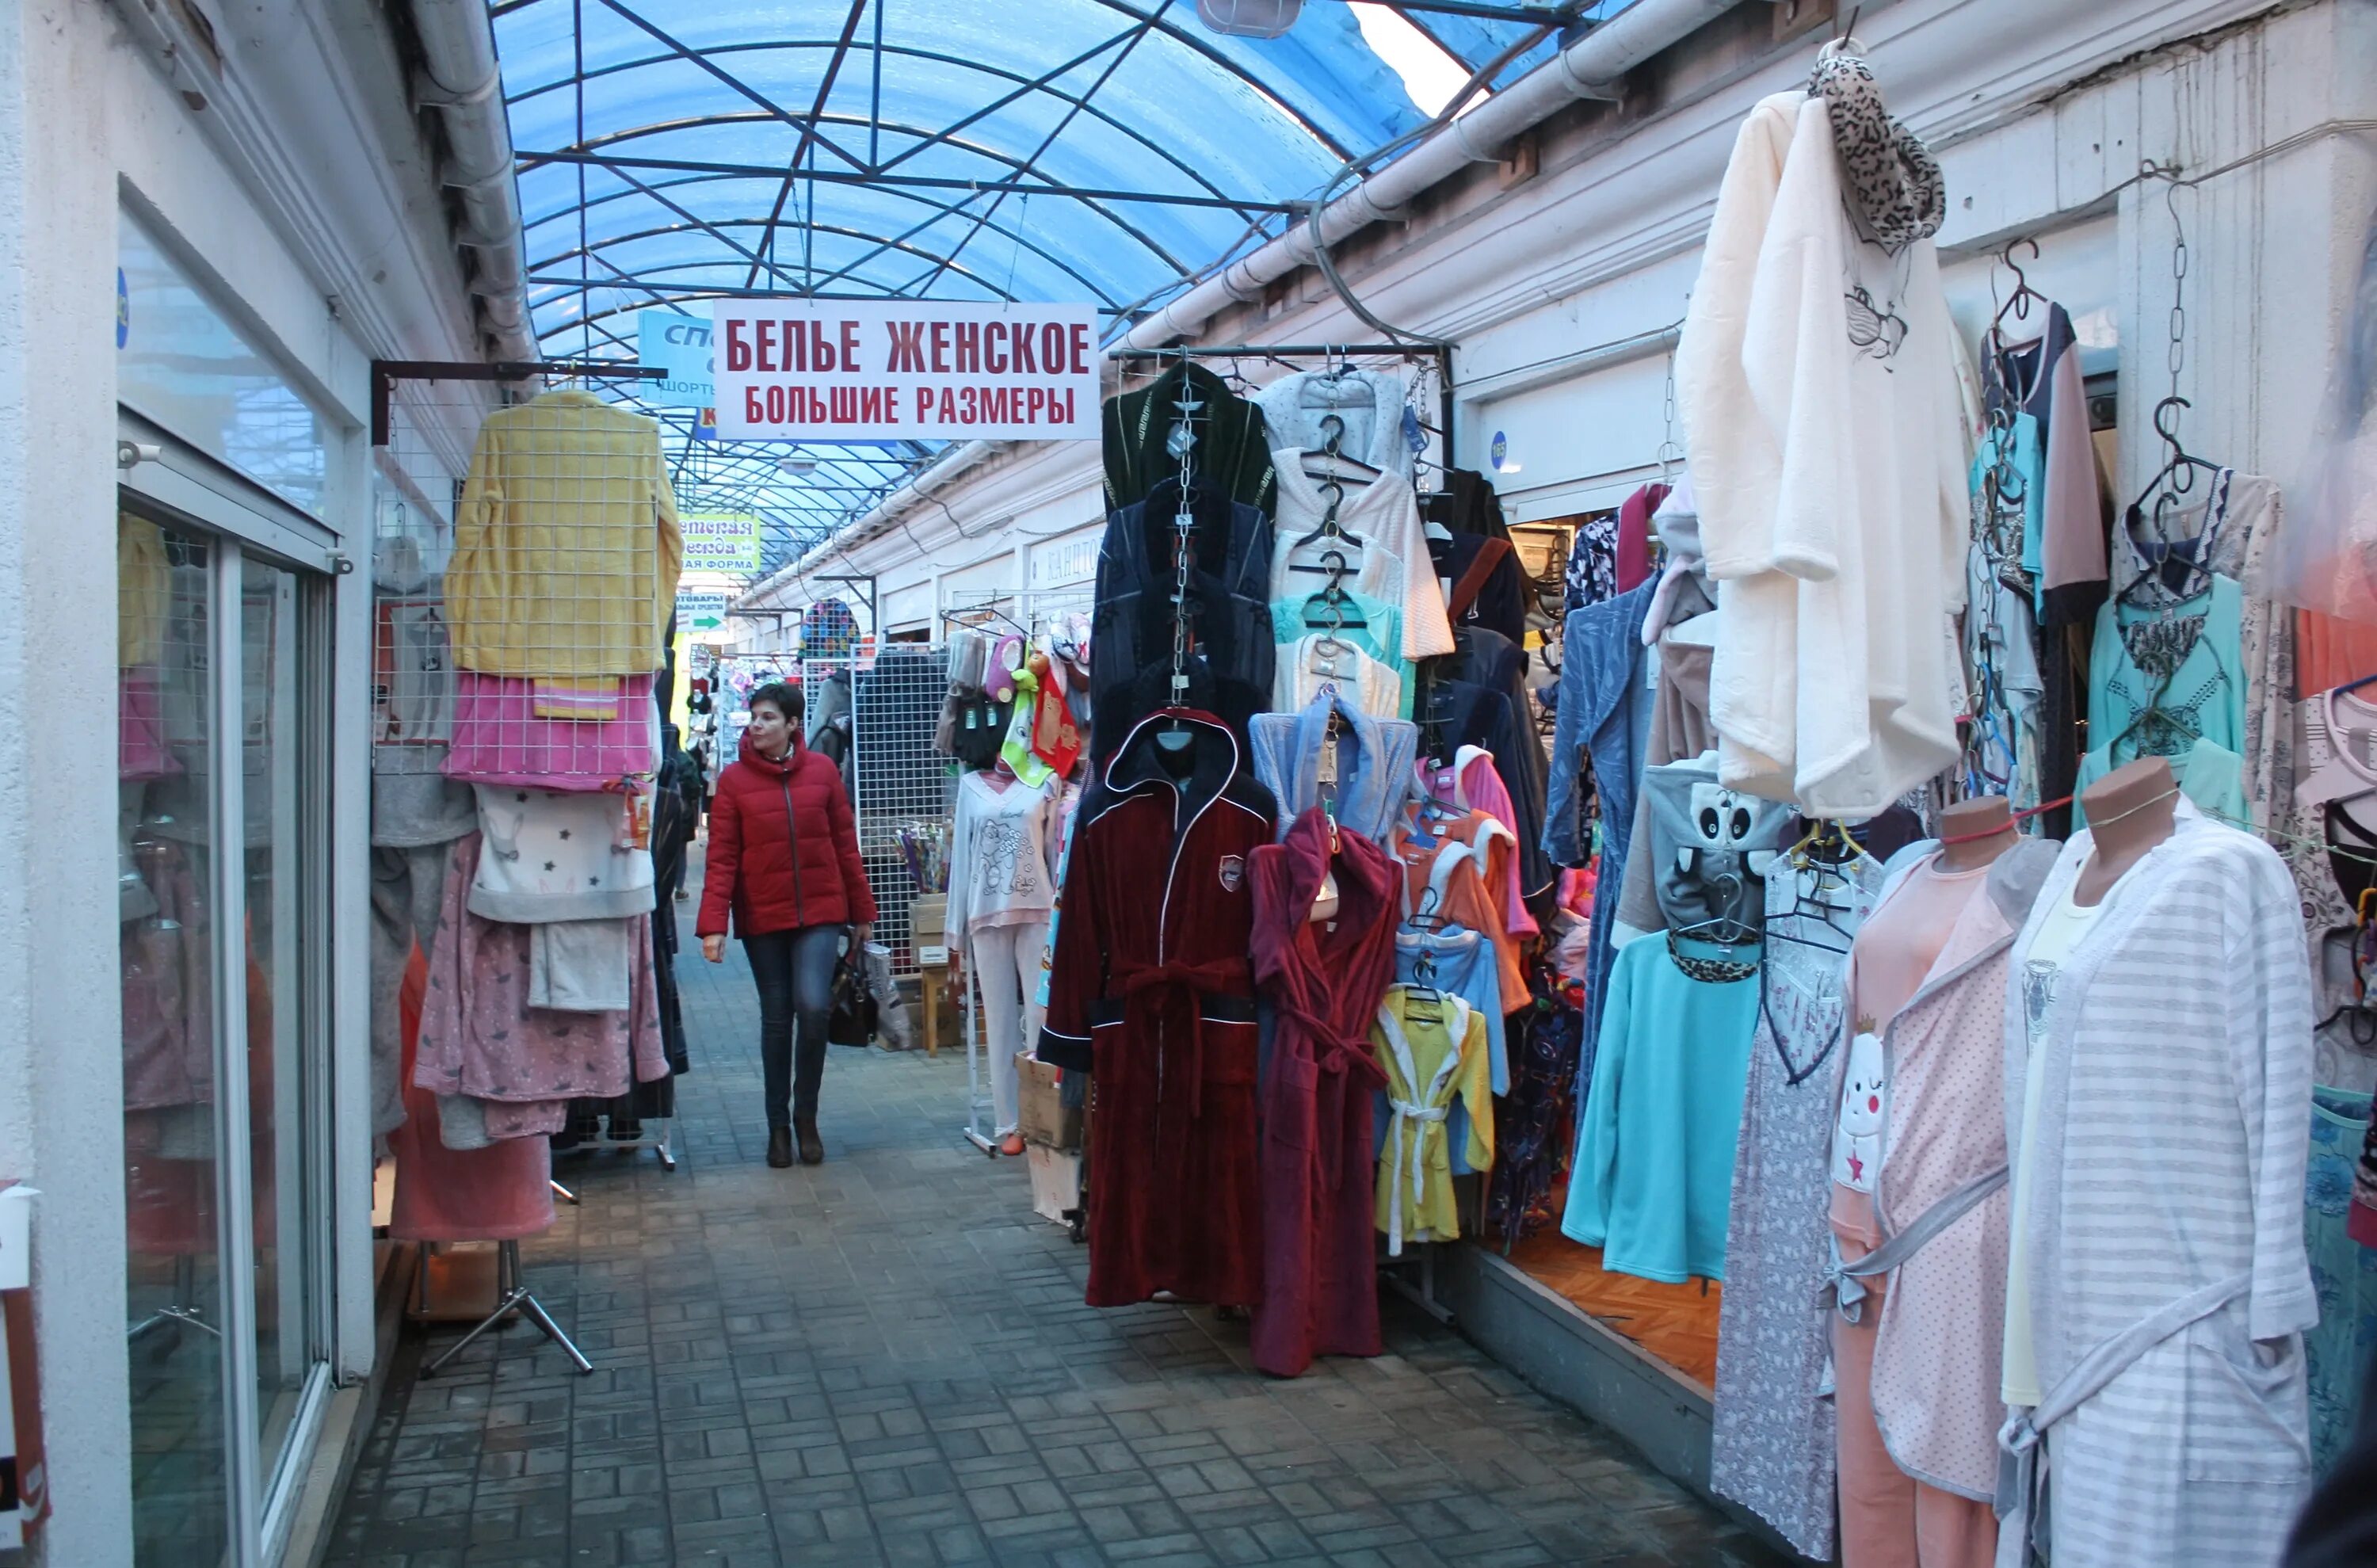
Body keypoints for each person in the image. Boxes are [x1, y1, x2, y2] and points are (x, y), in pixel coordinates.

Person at [697, 681, 876, 1168]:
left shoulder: (822, 773)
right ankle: (778, 1124)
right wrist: (713, 925)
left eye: (769, 717)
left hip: (821, 913)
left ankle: (807, 1117)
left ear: (794, 725)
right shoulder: (733, 781)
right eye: (755, 717)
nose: (757, 724)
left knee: (814, 1007)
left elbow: (845, 845)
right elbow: (722, 859)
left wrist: (862, 913)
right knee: (777, 1018)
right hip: (764, 917)